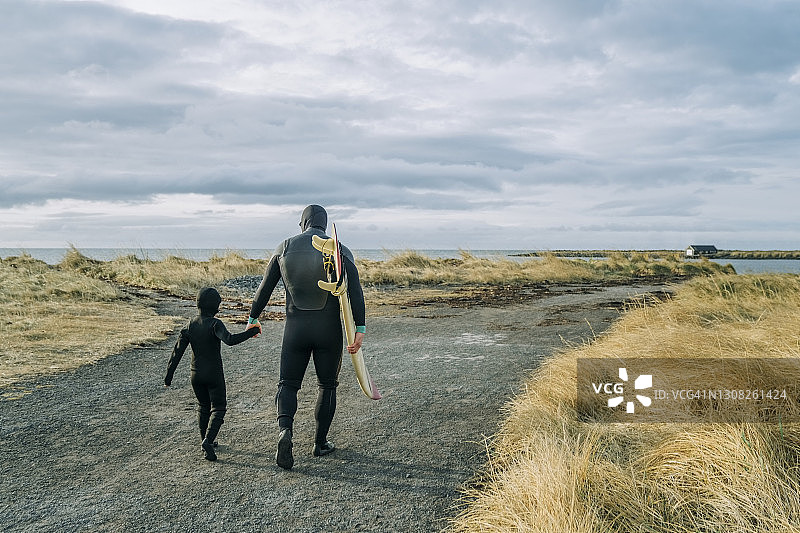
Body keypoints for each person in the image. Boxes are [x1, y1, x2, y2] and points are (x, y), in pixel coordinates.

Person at [247, 204, 365, 470]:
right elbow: (355, 290)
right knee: (327, 386)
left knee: (287, 384)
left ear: (303, 223)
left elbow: (265, 287)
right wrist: (361, 328)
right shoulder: (340, 250)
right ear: (324, 224)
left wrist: (253, 319)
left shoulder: (285, 247)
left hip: (295, 330)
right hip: (329, 332)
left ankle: (285, 431)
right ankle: (320, 442)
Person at [165, 287, 261, 461]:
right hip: (213, 374)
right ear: (215, 306)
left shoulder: (190, 324)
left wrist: (169, 375)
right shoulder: (215, 324)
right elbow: (230, 340)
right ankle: (208, 441)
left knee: (203, 406)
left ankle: (205, 439)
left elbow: (177, 351)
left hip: (196, 374)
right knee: (219, 407)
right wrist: (251, 332)